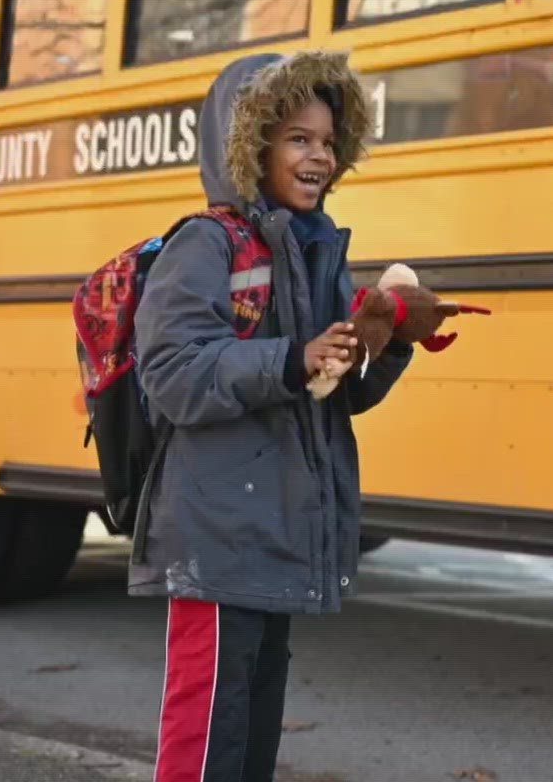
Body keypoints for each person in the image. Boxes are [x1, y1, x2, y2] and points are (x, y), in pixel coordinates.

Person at [130, 48, 451, 782]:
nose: (319, 156)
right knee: (207, 730)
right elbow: (173, 373)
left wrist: (389, 340)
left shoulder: (316, 252)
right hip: (216, 535)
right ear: (251, 146)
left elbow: (340, 394)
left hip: (275, 528)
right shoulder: (205, 243)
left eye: (329, 142)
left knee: (253, 732)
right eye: (298, 139)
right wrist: (288, 358)